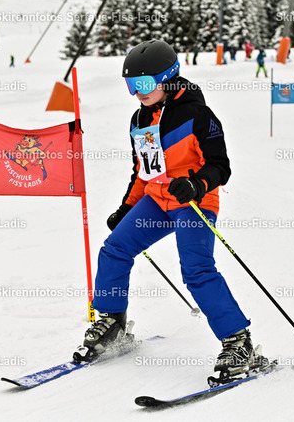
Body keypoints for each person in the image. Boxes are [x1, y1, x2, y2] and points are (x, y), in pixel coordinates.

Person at [77, 40, 260, 378]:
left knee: (196, 270)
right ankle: (112, 323)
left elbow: (220, 166)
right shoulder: (139, 119)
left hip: (193, 202)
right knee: (114, 248)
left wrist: (196, 184)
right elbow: (142, 171)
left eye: (144, 84)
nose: (137, 92)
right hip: (156, 200)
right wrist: (127, 207)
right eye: (131, 85)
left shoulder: (197, 115)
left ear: (168, 78)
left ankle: (238, 342)